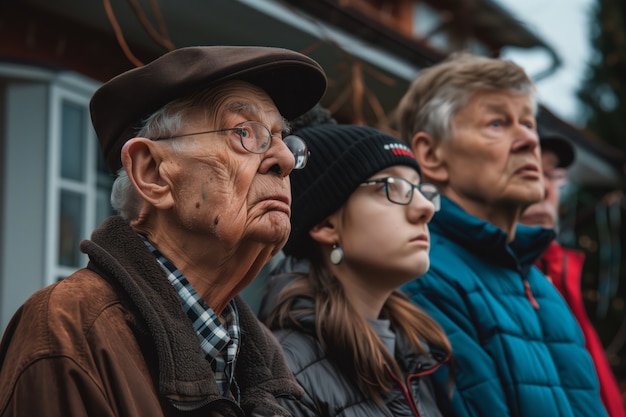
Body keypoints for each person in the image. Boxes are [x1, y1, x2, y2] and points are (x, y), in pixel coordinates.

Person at [0, 45, 327, 417]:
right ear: (152, 173)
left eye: (283, 138)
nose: (284, 159)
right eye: (245, 133)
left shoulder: (264, 361)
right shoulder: (68, 327)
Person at [395, 52, 609, 417]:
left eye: (528, 123)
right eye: (497, 123)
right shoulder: (424, 276)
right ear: (431, 155)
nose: (529, 140)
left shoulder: (540, 284)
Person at [258, 123, 453, 417]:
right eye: (392, 187)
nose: (425, 207)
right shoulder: (287, 373)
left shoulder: (418, 354)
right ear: (325, 224)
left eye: (419, 189)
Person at [520, 132, 626, 416]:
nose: (543, 188)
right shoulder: (497, 281)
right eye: (527, 172)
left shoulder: (563, 272)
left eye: (552, 175)